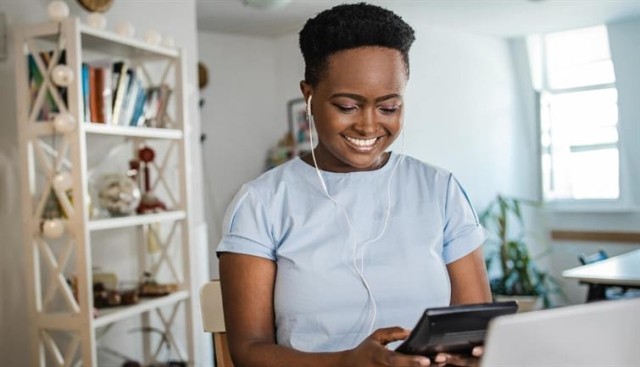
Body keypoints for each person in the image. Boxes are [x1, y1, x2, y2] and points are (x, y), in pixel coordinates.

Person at [216, 3, 491, 366]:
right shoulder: (261, 202)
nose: (368, 126)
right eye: (347, 106)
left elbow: (474, 327)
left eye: (389, 108)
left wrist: (469, 356)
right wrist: (346, 362)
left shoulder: (440, 190)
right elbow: (248, 350)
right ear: (308, 96)